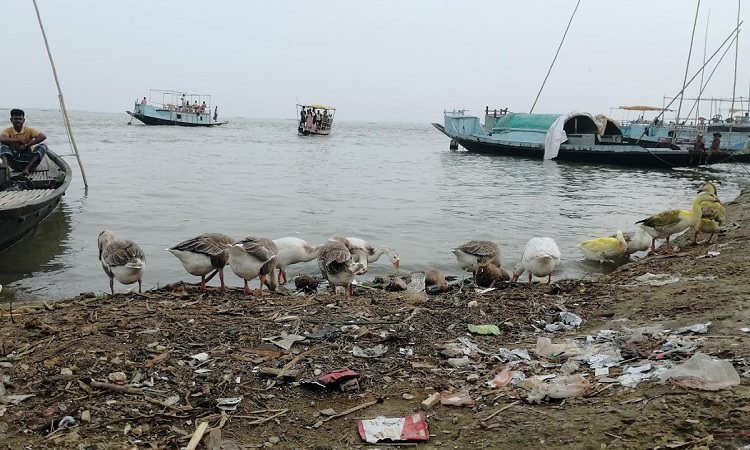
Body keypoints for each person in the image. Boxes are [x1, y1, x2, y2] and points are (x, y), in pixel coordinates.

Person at [0, 109, 48, 177]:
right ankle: (5, 169)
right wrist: (18, 141)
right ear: (11, 120)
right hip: (15, 162)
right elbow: (1, 139)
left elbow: (43, 136)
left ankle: (27, 169)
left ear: (23, 120)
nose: (18, 121)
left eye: (20, 119)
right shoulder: (8, 131)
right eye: (15, 119)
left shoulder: (29, 130)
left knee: (43, 146)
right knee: (3, 144)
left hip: (29, 162)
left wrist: (26, 145)